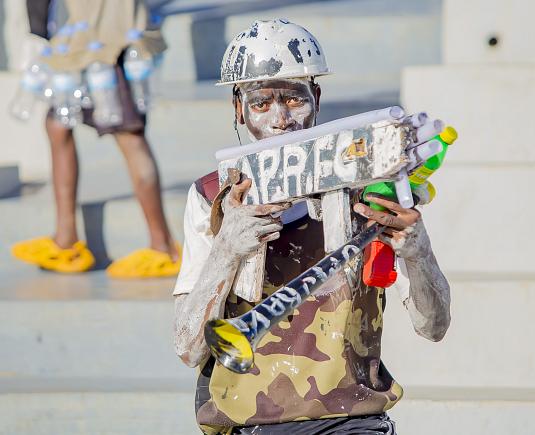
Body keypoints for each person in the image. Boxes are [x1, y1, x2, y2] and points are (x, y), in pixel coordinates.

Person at [173, 19, 451, 434]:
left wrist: (417, 248)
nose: (281, 119)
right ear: (238, 109)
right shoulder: (211, 196)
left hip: (352, 419)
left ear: (315, 98)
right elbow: (188, 347)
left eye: (294, 99)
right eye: (261, 103)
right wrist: (226, 250)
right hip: (250, 423)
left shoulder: (368, 186)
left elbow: (434, 326)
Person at [11, 0, 181, 278]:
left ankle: (163, 246)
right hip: (82, 39)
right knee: (57, 124)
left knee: (129, 135)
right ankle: (65, 238)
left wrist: (36, 31)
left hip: (112, 40)